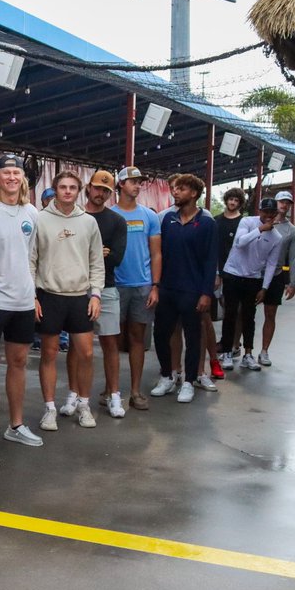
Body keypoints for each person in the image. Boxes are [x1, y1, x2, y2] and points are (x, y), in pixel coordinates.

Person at [0, 155, 42, 446]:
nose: (12, 177)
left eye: (17, 173)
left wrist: (35, 294)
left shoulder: (32, 213)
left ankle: (15, 425)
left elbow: (32, 257)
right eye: (7, 172)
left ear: (22, 179)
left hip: (23, 301)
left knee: (19, 362)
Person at [31, 170, 103, 429]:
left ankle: (84, 404)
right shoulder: (40, 219)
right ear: (55, 189)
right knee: (49, 353)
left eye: (73, 187)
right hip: (49, 295)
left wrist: (95, 294)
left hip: (79, 297)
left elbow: (97, 261)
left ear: (79, 190)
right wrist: (33, 296)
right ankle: (49, 408)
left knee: (85, 353)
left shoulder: (88, 222)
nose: (68, 191)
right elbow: (31, 260)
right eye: (63, 187)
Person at [150, 174, 217, 403]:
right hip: (167, 288)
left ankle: (189, 382)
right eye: (175, 188)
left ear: (194, 193)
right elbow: (158, 254)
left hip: (192, 290)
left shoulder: (207, 223)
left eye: (181, 189)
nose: (175, 192)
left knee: (193, 336)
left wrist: (206, 292)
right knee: (160, 334)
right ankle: (167, 376)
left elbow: (210, 260)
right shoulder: (167, 220)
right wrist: (155, 285)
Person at [111, 166, 161, 411]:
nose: (137, 186)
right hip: (115, 286)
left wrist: (155, 285)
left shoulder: (149, 217)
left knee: (137, 339)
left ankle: (135, 390)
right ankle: (112, 390)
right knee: (112, 339)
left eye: (139, 182)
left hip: (142, 286)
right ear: (120, 184)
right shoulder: (110, 215)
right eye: (132, 181)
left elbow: (156, 253)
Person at [218, 198, 283, 373]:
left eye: (272, 213)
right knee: (230, 314)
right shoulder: (247, 222)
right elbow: (240, 242)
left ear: (276, 214)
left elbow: (271, 264)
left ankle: (248, 353)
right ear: (259, 211)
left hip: (253, 278)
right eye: (265, 212)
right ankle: (226, 352)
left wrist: (264, 288)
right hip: (233, 273)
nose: (268, 216)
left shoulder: (277, 237)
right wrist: (260, 229)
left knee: (249, 316)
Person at [83, 171, 127, 418]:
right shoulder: (77, 216)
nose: (101, 194)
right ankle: (76, 394)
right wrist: (98, 252)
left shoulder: (116, 221)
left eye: (106, 190)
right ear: (89, 188)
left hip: (107, 288)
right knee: (81, 345)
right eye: (98, 188)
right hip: (77, 288)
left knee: (110, 343)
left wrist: (90, 255)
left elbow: (116, 258)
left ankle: (114, 394)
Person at [259, 190, 295, 366]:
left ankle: (264, 351)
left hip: (276, 275)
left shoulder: (291, 231)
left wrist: (292, 283)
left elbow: (292, 257)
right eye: (281, 201)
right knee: (242, 312)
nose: (284, 205)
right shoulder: (258, 222)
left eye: (288, 203)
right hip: (254, 273)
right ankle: (236, 347)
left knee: (270, 314)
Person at [213, 188, 245, 370]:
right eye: (230, 199)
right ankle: (226, 342)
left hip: (238, 271)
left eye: (236, 200)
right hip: (220, 269)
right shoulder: (217, 221)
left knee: (237, 309)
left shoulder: (243, 222)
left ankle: (235, 343)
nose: (232, 203)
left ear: (240, 203)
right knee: (225, 308)